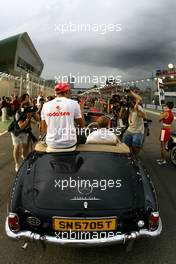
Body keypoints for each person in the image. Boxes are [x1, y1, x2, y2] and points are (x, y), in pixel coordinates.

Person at [40, 82, 84, 149]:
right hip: (69, 142)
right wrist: (81, 109)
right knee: (83, 136)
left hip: (51, 143)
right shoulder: (74, 103)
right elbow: (81, 125)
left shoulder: (46, 105)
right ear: (67, 92)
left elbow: (44, 127)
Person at [10, 93, 39, 171]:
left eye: (28, 98)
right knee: (16, 146)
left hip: (25, 131)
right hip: (16, 131)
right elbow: (21, 126)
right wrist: (28, 118)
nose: (27, 100)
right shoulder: (18, 112)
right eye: (25, 99)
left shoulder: (29, 110)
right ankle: (17, 163)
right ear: (21, 102)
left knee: (25, 146)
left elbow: (38, 119)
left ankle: (24, 158)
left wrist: (34, 113)